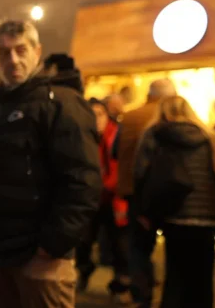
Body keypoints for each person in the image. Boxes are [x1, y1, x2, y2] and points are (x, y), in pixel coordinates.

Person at [0, 19, 101, 308]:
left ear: (37, 52)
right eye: (3, 52)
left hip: (41, 260)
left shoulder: (61, 102)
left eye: (20, 50)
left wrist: (52, 245)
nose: (12, 59)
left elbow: (82, 180)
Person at [133, 96, 215, 308]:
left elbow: (141, 173)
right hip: (207, 217)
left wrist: (144, 209)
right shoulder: (208, 138)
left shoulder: (155, 135)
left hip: (174, 213)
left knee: (175, 277)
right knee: (202, 280)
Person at [115, 78, 176, 308]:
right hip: (164, 192)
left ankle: (142, 294)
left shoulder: (131, 117)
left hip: (133, 191)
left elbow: (115, 151)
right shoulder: (169, 119)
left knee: (139, 247)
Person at [75, 99, 129, 298]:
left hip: (113, 198)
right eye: (92, 115)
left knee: (119, 244)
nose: (96, 119)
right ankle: (84, 270)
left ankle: (120, 283)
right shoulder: (83, 137)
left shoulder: (117, 134)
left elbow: (120, 166)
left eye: (99, 114)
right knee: (84, 241)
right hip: (91, 198)